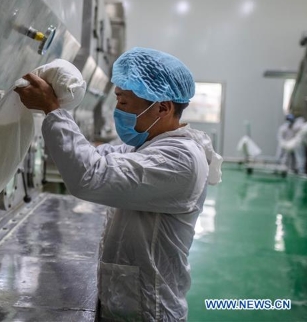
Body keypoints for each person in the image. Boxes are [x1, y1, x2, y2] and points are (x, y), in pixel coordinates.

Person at [15, 47, 222, 321]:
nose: (118, 110)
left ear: (163, 107)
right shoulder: (148, 145)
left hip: (149, 311)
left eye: (124, 102)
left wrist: (52, 110)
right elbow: (98, 157)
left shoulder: (180, 159)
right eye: (117, 99)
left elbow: (90, 176)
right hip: (127, 303)